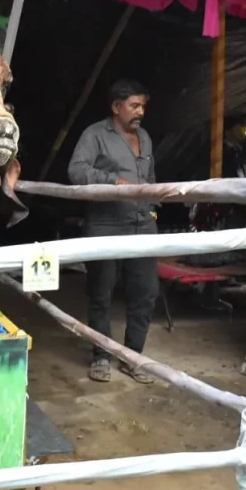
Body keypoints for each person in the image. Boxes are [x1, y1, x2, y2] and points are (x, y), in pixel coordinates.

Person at [68, 80, 158, 384]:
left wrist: (153, 208)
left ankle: (133, 357)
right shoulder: (95, 134)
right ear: (116, 107)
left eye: (142, 106)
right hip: (105, 224)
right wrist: (112, 181)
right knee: (101, 293)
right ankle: (101, 357)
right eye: (134, 106)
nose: (140, 112)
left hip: (142, 225)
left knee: (145, 293)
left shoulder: (144, 137)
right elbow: (76, 170)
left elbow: (151, 178)